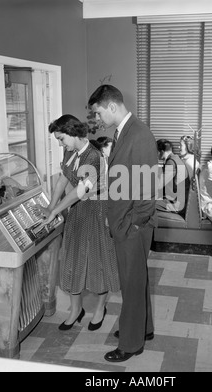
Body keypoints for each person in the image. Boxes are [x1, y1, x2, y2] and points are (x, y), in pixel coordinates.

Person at [88, 84, 158, 362]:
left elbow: (147, 189)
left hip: (133, 226)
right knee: (136, 280)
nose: (97, 119)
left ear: (112, 106)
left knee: (130, 283)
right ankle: (144, 329)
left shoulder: (138, 135)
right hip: (126, 221)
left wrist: (132, 224)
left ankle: (131, 344)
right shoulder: (124, 132)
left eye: (98, 112)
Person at [36, 114, 119, 332]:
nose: (60, 143)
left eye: (62, 138)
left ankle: (100, 308)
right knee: (72, 260)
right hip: (76, 212)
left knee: (97, 261)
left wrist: (55, 211)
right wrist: (50, 206)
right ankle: (75, 310)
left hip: (96, 211)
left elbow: (79, 191)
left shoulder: (93, 156)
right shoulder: (71, 152)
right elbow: (63, 180)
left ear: (74, 133)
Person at [156, 138, 188, 216]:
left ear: (161, 152)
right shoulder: (175, 159)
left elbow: (159, 184)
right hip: (176, 199)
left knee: (145, 202)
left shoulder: (171, 162)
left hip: (176, 204)